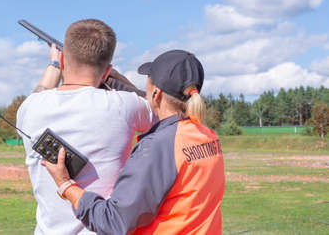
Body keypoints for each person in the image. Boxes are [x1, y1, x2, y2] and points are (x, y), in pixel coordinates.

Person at [43, 50, 226, 235]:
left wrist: (65, 184)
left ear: (156, 94)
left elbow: (113, 221)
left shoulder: (157, 147)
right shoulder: (207, 135)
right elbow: (163, 110)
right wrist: (121, 83)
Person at [16, 19, 155, 235]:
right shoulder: (125, 105)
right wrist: (117, 78)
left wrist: (53, 65)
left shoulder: (30, 108)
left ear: (63, 61)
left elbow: (38, 94)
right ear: (107, 69)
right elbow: (156, 108)